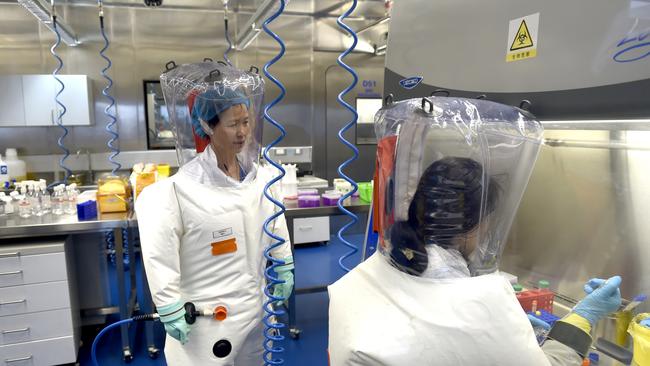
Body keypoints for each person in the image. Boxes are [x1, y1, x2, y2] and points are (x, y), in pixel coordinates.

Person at [328, 97, 623, 366]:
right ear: (473, 227)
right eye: (488, 221)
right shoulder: (480, 301)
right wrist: (583, 317)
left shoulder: (373, 271)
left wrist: (506, 336)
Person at [136, 64, 293, 365]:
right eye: (233, 124)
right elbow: (160, 254)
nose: (243, 132)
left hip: (256, 310)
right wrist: (168, 305)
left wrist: (284, 263)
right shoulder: (177, 191)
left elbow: (276, 223)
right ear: (207, 127)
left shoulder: (260, 179)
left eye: (246, 121)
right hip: (208, 321)